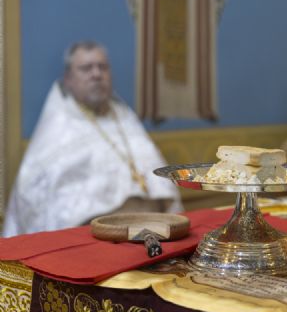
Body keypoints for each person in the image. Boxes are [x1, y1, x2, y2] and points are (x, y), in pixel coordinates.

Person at [3, 41, 183, 236]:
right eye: (86, 68)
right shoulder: (58, 129)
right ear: (68, 79)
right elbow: (40, 202)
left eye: (102, 67)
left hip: (154, 230)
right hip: (95, 239)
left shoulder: (125, 118)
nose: (97, 74)